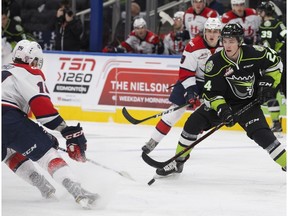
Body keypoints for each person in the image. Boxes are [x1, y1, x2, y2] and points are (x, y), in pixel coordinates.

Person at [154, 23, 286, 176]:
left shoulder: (256, 53)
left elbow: (277, 63)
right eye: (225, 41)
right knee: (192, 123)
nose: (227, 45)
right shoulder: (214, 63)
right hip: (224, 104)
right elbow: (211, 94)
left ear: (240, 41)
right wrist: (222, 109)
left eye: (232, 41)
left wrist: (269, 82)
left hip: (248, 105)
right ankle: (178, 162)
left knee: (265, 137)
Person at [2, 39, 99, 209]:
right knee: (47, 153)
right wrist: (66, 130)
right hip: (8, 118)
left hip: (10, 119)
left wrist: (40, 134)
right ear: (31, 59)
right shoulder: (30, 72)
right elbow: (42, 108)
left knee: (9, 153)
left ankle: (42, 186)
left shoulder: (3, 68)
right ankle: (77, 191)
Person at [142, 17, 223, 154]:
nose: (212, 34)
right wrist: (190, 92)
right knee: (174, 113)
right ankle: (153, 141)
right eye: (209, 31)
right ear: (205, 32)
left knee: (202, 119)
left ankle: (185, 147)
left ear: (220, 32)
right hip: (191, 80)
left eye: (215, 31)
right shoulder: (193, 46)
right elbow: (186, 72)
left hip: (212, 84)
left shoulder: (226, 46)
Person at [257, 1, 286, 133]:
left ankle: (276, 123)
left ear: (265, 11)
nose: (259, 13)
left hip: (269, 63)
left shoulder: (262, 26)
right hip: (282, 61)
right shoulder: (278, 24)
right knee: (283, 93)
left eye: (261, 10)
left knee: (271, 94)